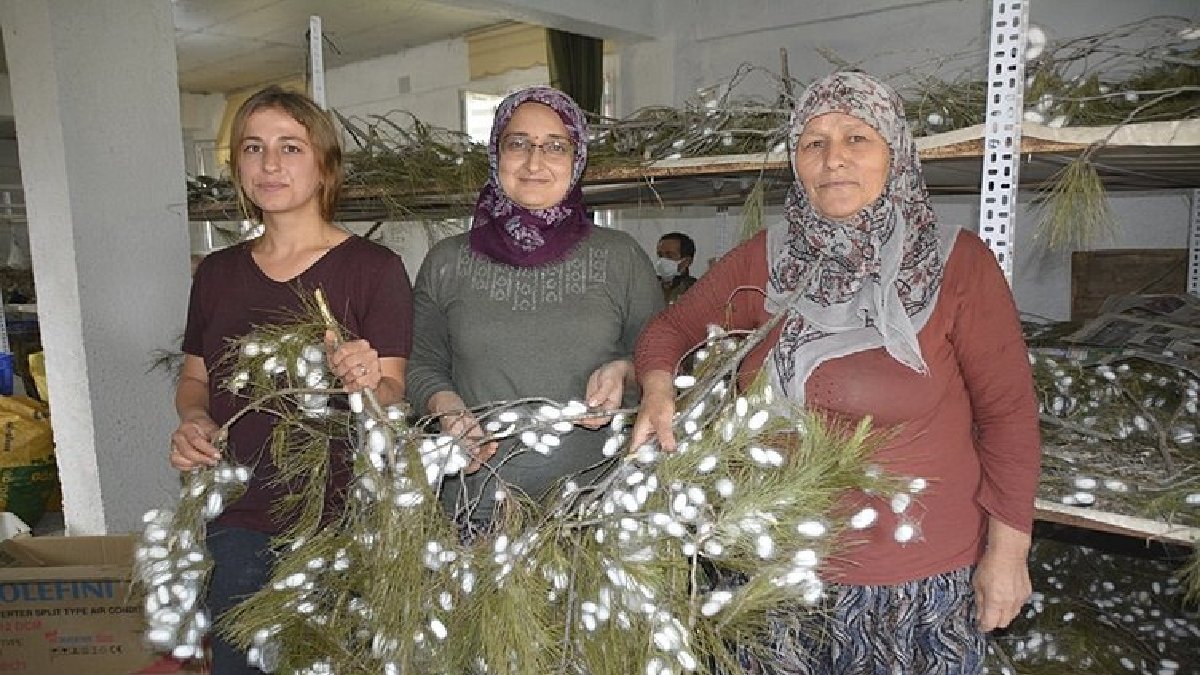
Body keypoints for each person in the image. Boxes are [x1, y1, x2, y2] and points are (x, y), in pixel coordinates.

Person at [631, 71, 1041, 674]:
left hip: (914, 582)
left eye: (857, 138)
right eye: (813, 143)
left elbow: (1009, 421)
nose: (833, 160)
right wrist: (658, 386)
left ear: (895, 152)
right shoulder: (766, 259)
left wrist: (1008, 555)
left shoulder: (957, 265)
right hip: (783, 573)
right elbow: (668, 330)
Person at [168, 86, 413, 675]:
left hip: (342, 519)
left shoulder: (373, 270)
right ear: (238, 168)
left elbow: (392, 392)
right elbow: (194, 379)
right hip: (239, 518)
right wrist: (194, 420)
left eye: (290, 147)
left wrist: (364, 378)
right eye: (253, 148)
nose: (270, 164)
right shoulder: (218, 275)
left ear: (325, 165)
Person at [406, 86, 663, 537]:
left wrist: (624, 371)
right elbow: (420, 362)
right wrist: (445, 406)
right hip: (476, 511)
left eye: (554, 146)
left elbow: (662, 357)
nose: (534, 162)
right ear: (496, 153)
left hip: (597, 514)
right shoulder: (447, 262)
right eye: (518, 143)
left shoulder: (620, 257)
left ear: (576, 158)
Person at [655, 232, 698, 304]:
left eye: (670, 256)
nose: (662, 260)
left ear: (686, 261)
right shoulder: (649, 286)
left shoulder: (696, 290)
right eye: (660, 255)